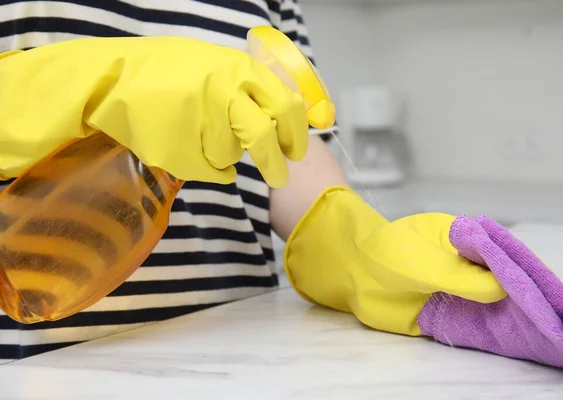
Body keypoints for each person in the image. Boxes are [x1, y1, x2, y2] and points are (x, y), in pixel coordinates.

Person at [0, 0, 507, 367]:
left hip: (242, 351)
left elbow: (291, 145)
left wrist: (353, 244)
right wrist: (98, 83)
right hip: (41, 360)